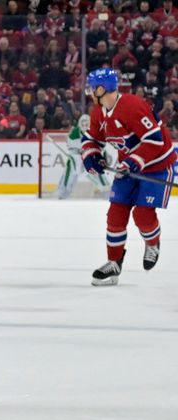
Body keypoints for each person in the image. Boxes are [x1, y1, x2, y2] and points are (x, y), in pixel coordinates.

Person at [82, 68, 176, 285]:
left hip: (157, 165)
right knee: (115, 214)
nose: (89, 91)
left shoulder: (132, 106)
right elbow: (92, 140)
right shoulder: (98, 112)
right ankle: (114, 263)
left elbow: (155, 141)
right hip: (130, 167)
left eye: (92, 87)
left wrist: (131, 162)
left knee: (142, 216)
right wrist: (92, 156)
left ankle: (152, 243)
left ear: (101, 88)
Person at [56, 114, 114, 199]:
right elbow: (72, 150)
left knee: (97, 168)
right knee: (72, 164)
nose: (84, 127)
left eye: (86, 124)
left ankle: (106, 190)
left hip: (91, 156)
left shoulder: (96, 131)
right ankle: (63, 192)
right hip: (78, 158)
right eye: (83, 125)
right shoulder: (74, 134)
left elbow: (101, 148)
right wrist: (79, 153)